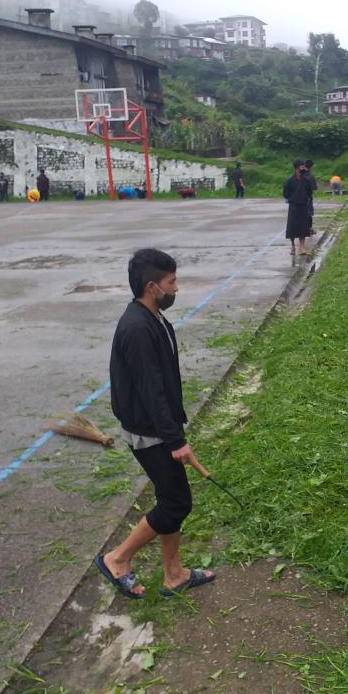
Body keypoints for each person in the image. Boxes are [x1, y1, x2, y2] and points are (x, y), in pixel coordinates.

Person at [95, 249, 216, 600]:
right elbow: (152, 392)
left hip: (158, 427)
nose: (176, 288)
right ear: (152, 286)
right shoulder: (137, 328)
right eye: (172, 282)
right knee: (176, 504)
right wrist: (176, 440)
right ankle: (118, 559)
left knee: (170, 497)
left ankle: (174, 573)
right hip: (149, 433)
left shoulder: (152, 317)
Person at [283, 159, 314, 257]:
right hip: (293, 206)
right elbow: (286, 193)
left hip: (303, 206)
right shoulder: (289, 181)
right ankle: (293, 245)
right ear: (297, 167)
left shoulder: (306, 180)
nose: (304, 168)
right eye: (302, 166)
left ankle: (302, 247)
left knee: (303, 227)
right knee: (292, 227)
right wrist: (293, 199)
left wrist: (304, 198)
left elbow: (310, 192)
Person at [304, 159, 318, 236]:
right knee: (309, 214)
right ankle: (309, 229)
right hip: (308, 198)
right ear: (311, 167)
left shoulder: (299, 174)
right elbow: (314, 187)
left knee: (302, 214)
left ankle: (303, 229)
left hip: (299, 198)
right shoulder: (310, 176)